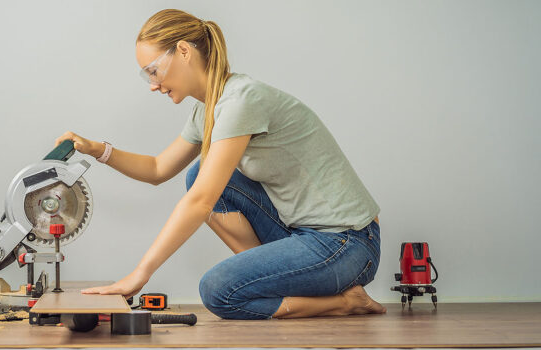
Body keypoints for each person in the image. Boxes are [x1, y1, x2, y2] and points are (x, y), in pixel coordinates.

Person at [53, 9, 386, 320]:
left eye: (152, 71)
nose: (153, 84)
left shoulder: (241, 100)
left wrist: (140, 273)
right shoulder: (207, 108)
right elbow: (158, 169)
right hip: (301, 235)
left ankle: (344, 301)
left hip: (347, 244)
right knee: (200, 173)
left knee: (219, 290)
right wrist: (97, 149)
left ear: (184, 51)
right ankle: (275, 277)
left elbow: (201, 201)